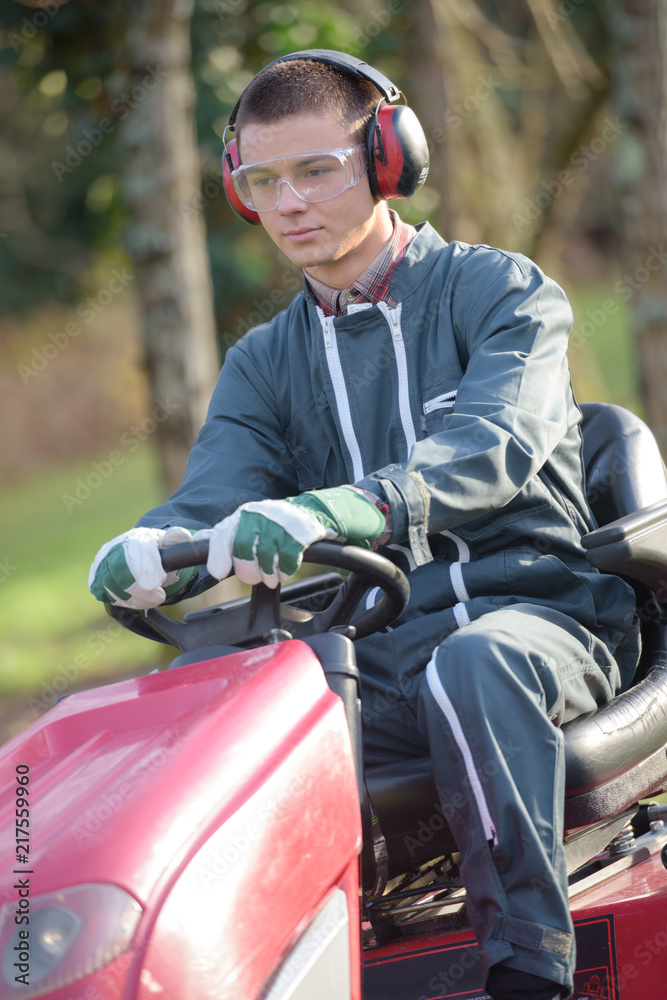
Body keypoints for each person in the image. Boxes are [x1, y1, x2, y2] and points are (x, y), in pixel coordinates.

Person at [88, 50, 639, 1000]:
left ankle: (528, 972)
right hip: (379, 659)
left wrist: (349, 506)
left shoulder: (499, 292)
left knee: (476, 664)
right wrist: (150, 553)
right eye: (262, 181)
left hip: (540, 624)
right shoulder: (263, 362)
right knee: (218, 726)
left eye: (317, 170)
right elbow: (212, 498)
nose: (289, 203)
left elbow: (493, 444)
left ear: (386, 161)